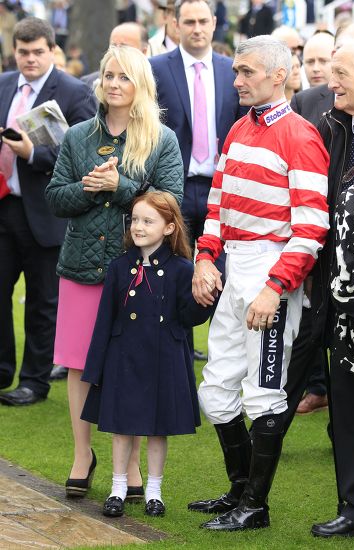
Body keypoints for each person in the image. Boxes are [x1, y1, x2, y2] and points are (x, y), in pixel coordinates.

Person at [188, 35, 329, 531]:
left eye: (247, 72)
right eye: (236, 72)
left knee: (264, 392)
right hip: (234, 266)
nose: (238, 80)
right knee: (217, 389)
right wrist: (205, 258)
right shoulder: (237, 131)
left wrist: (275, 287)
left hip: (272, 271)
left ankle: (256, 507)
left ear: (278, 75)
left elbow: (311, 227)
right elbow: (216, 207)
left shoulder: (301, 135)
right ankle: (238, 491)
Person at [45, 45, 183, 499]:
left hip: (139, 272)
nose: (114, 83)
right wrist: (89, 188)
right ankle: (83, 455)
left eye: (124, 76)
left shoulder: (161, 139)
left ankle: (132, 469)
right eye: (108, 75)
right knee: (79, 363)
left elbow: (172, 204)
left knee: (134, 364)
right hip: (82, 265)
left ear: (140, 82)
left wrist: (120, 186)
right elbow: (55, 198)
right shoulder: (78, 136)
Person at [81, 191, 214, 518]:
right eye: (135, 220)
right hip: (124, 357)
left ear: (169, 228)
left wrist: (202, 294)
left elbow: (190, 318)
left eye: (147, 221)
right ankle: (118, 488)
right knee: (122, 426)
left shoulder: (184, 269)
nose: (138, 227)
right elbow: (104, 320)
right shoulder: (119, 267)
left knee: (158, 428)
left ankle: (154, 491)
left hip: (165, 357)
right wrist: (95, 368)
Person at [0, 16, 95, 405]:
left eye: (38, 51)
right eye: (23, 52)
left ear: (51, 50)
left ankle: (34, 381)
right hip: (5, 205)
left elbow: (83, 156)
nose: (30, 59)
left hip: (48, 212)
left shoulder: (73, 93)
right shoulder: (4, 84)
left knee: (43, 300)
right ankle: (2, 369)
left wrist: (33, 154)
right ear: (15, 51)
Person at [150, 0, 245, 361]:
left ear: (215, 22)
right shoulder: (156, 68)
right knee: (173, 272)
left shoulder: (230, 70)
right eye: (188, 21)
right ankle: (180, 349)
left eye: (203, 21)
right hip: (174, 186)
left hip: (220, 188)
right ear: (175, 24)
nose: (196, 28)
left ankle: (224, 352)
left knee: (222, 272)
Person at [311, 35, 354, 538]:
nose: (332, 83)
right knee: (349, 407)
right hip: (344, 299)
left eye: (342, 73)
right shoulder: (336, 128)